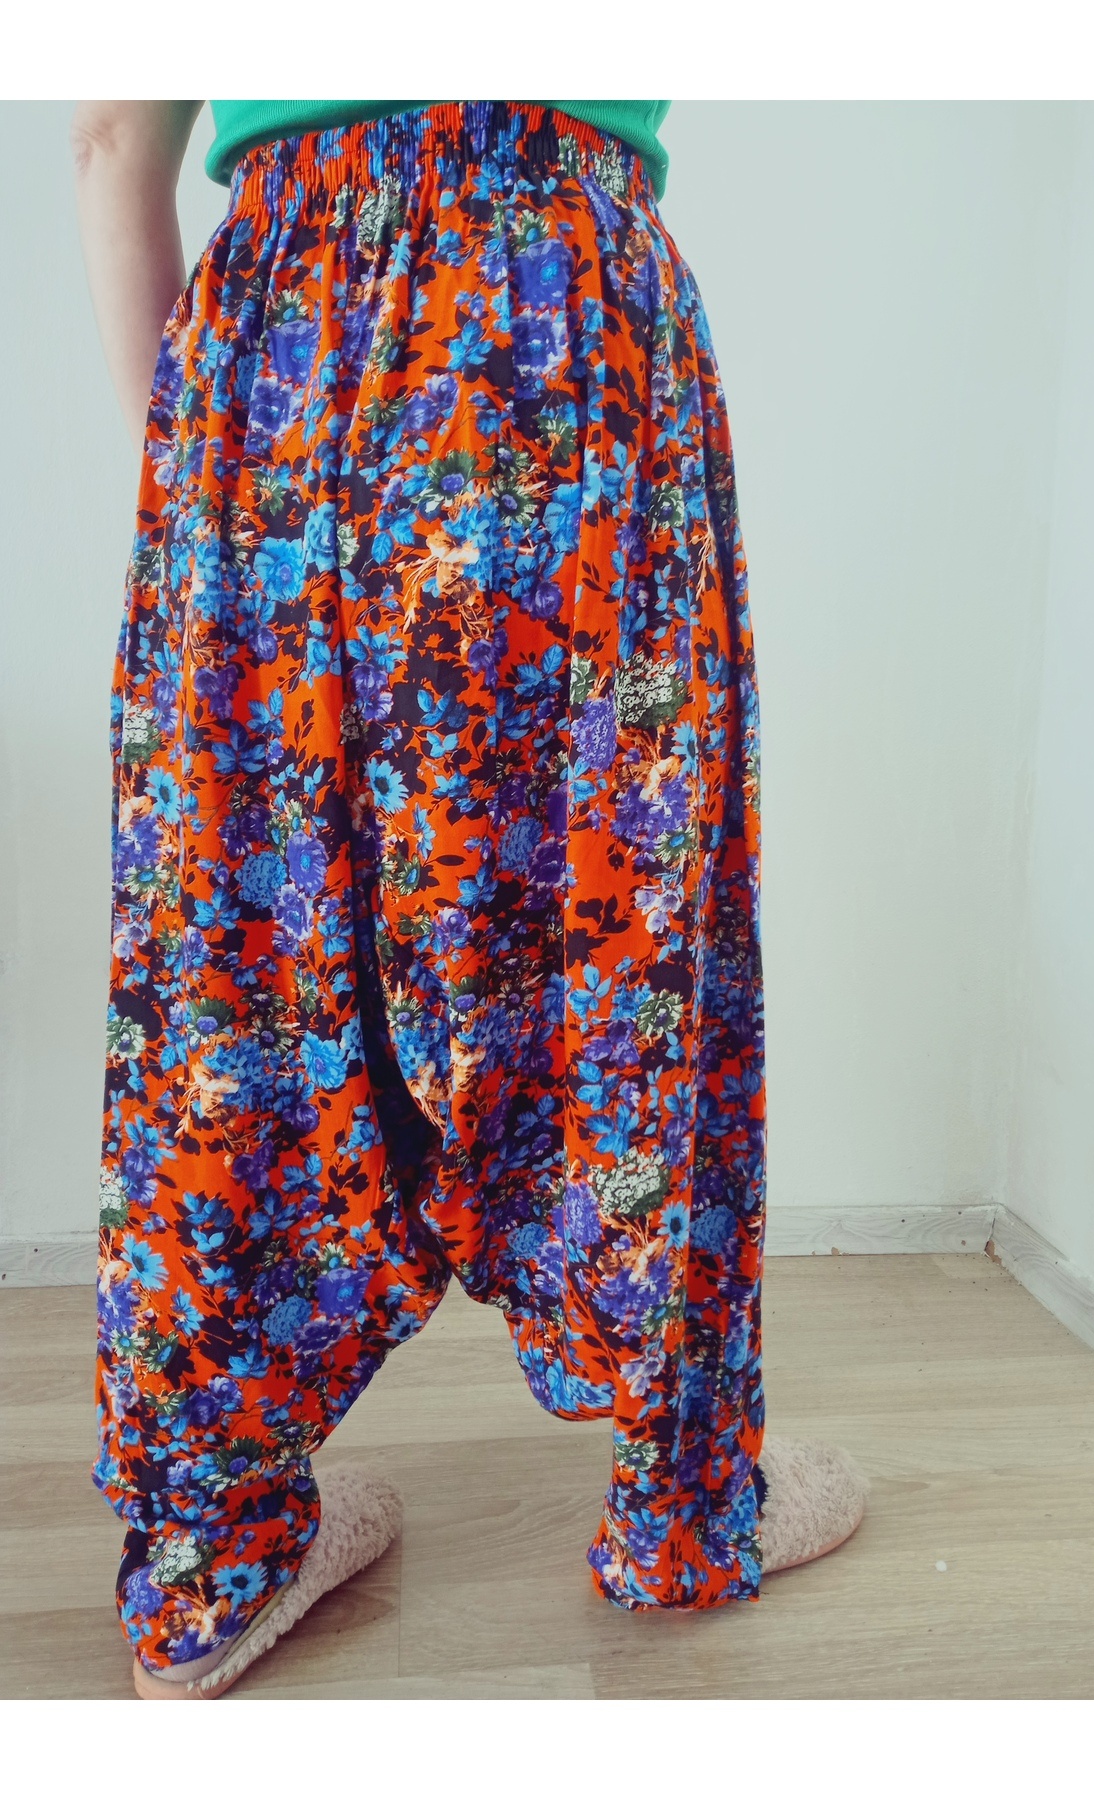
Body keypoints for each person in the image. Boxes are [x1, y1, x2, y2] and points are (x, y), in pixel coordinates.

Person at [73, 97, 867, 1701]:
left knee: (238, 950)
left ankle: (214, 1556)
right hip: (562, 333)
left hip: (272, 354)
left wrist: (206, 474)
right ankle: (686, 1501)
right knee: (626, 916)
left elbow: (108, 140)